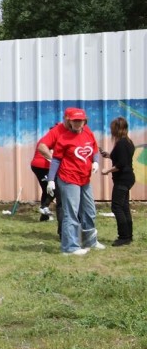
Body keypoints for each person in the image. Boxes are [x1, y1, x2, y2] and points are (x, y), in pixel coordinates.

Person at [46, 109, 104, 255]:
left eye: (80, 121)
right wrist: (51, 180)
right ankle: (69, 247)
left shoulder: (88, 133)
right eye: (75, 121)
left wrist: (96, 162)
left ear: (85, 121)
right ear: (69, 121)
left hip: (84, 178)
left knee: (90, 210)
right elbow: (56, 160)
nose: (78, 123)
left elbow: (95, 149)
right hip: (68, 178)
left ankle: (90, 241)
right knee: (71, 213)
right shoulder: (64, 138)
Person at [101, 117, 135, 246]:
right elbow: (122, 158)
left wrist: (107, 171)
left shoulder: (121, 143)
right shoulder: (127, 142)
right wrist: (109, 155)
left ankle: (123, 237)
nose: (111, 131)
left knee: (116, 207)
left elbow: (121, 164)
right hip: (128, 178)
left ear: (116, 129)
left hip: (123, 179)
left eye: (112, 128)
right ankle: (128, 236)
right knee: (124, 207)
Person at [31, 125, 59, 222]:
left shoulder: (48, 138)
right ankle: (44, 207)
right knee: (54, 188)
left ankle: (44, 216)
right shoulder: (53, 140)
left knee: (46, 190)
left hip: (41, 166)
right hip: (41, 167)